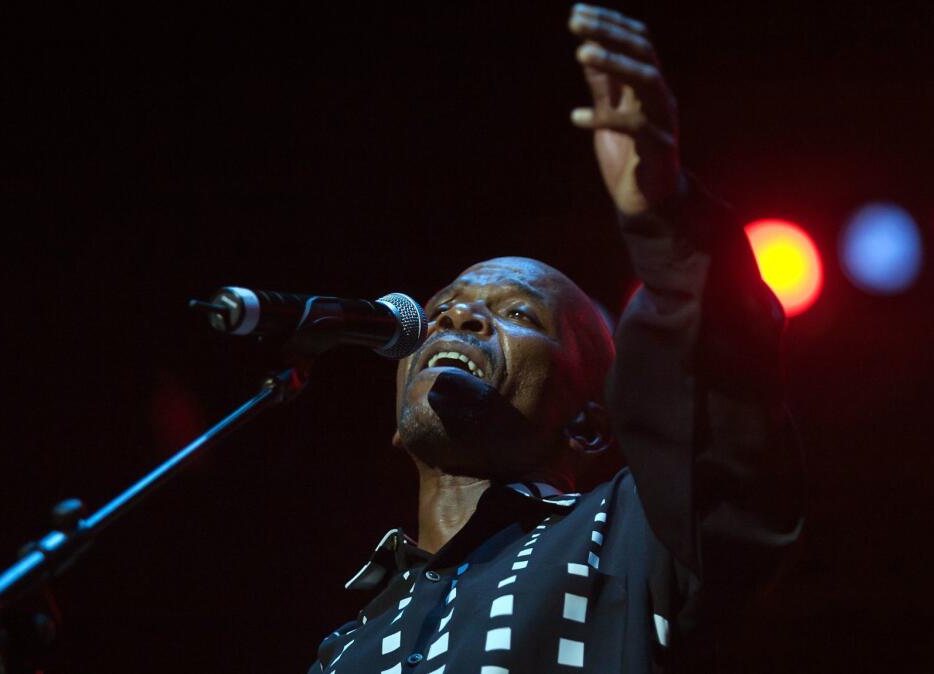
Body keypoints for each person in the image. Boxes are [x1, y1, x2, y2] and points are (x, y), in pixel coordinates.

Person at [309, 5, 803, 672]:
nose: (459, 319)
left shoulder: (633, 537)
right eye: (444, 310)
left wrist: (662, 218)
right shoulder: (344, 648)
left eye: (519, 315)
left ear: (591, 424)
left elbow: (720, 432)